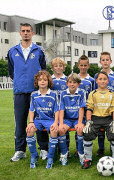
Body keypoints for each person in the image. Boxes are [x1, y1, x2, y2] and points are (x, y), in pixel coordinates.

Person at [8, 23, 47, 162]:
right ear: (20, 33)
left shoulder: (39, 50)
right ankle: (20, 150)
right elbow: (12, 72)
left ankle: (43, 149)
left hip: (36, 93)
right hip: (19, 92)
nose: (25, 33)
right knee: (20, 123)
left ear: (32, 33)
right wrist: (20, 81)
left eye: (28, 31)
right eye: (23, 31)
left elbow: (44, 71)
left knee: (39, 121)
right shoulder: (12, 51)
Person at [82, 71, 114, 169]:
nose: (102, 81)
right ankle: (88, 159)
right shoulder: (93, 94)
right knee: (87, 133)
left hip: (109, 118)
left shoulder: (112, 94)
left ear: (108, 81)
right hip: (95, 118)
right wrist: (88, 121)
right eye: (100, 79)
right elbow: (89, 108)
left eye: (104, 79)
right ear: (96, 81)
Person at [26, 70, 62, 169]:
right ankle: (34, 156)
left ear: (48, 82)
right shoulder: (34, 94)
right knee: (29, 131)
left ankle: (50, 158)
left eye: (45, 80)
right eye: (40, 80)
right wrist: (31, 122)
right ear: (37, 82)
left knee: (54, 131)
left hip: (50, 120)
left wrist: (55, 122)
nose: (42, 81)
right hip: (38, 120)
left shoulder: (54, 94)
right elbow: (31, 110)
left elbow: (57, 110)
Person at [94, 52, 114, 157]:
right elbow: (95, 92)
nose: (105, 62)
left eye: (107, 59)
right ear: (100, 62)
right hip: (100, 107)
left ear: (111, 61)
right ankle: (101, 148)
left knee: (112, 129)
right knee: (100, 131)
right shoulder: (97, 75)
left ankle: (112, 148)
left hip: (111, 106)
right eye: (103, 60)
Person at [58, 73, 86, 165]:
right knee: (61, 130)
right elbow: (61, 109)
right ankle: (64, 154)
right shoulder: (63, 93)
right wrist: (61, 123)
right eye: (70, 82)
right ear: (67, 83)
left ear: (78, 84)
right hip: (67, 119)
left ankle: (81, 154)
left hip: (78, 119)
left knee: (80, 129)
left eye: (74, 82)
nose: (72, 84)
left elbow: (81, 108)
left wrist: (80, 122)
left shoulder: (82, 92)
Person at [74, 55, 95, 157]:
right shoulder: (74, 79)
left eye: (85, 65)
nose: (83, 67)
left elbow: (94, 94)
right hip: (76, 109)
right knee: (77, 127)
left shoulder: (91, 80)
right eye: (81, 65)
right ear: (78, 66)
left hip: (88, 109)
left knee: (87, 129)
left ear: (88, 66)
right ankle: (78, 149)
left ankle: (86, 150)